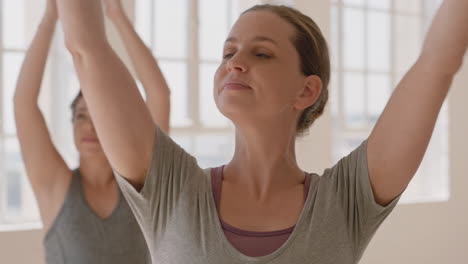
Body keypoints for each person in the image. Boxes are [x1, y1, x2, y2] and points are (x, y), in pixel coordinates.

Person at [55, 0, 468, 263]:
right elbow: (87, 48)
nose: (234, 62)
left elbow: (436, 64)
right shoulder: (169, 187)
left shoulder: (347, 200)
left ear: (306, 90)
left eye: (262, 53)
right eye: (228, 51)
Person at [13, 0, 170, 263]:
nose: (89, 126)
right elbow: (23, 104)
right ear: (72, 123)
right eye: (81, 116)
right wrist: (51, 17)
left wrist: (118, 16)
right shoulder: (56, 186)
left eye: (98, 116)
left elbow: (159, 95)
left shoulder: (140, 184)